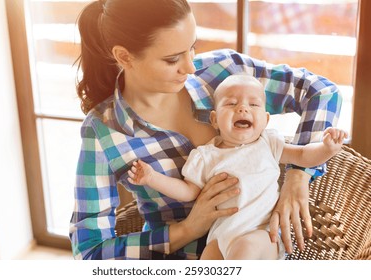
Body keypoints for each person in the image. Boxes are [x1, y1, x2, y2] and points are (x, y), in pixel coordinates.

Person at [69, 0, 342, 260]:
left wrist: (298, 176)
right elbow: (90, 252)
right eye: (172, 59)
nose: (190, 68)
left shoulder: (223, 74)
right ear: (124, 57)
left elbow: (322, 92)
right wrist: (187, 229)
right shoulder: (103, 133)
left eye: (192, 48)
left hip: (259, 244)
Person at [127, 75, 347, 260]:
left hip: (261, 234)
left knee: (245, 250)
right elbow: (187, 192)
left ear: (266, 119)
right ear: (214, 119)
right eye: (231, 104)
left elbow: (303, 156)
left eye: (253, 104)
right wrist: (153, 178)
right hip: (219, 237)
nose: (243, 108)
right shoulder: (206, 156)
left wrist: (327, 148)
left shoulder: (268, 143)